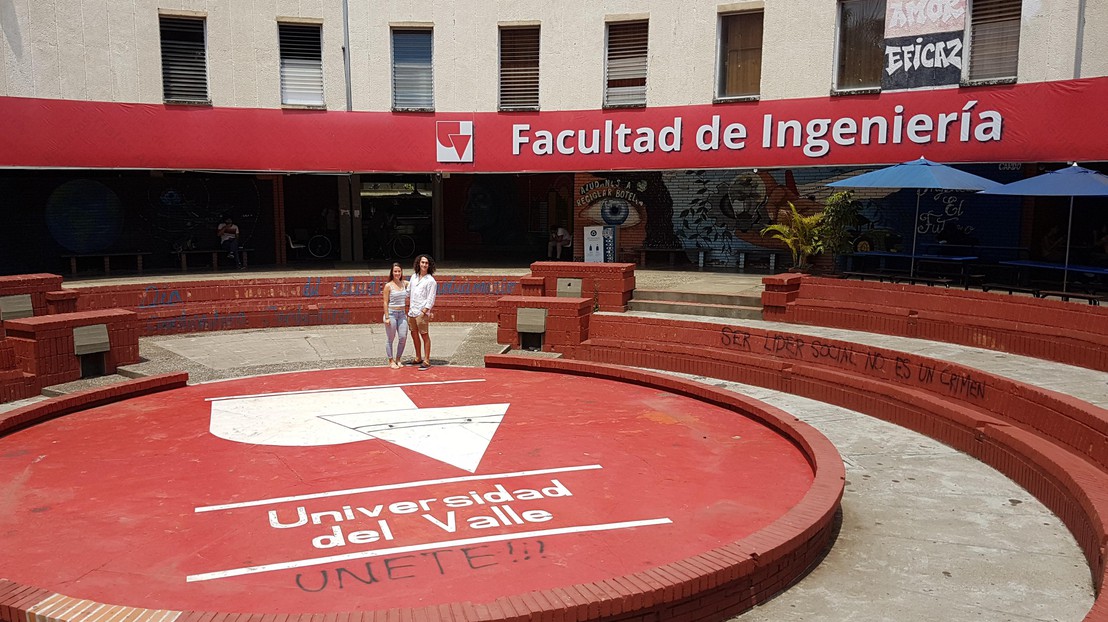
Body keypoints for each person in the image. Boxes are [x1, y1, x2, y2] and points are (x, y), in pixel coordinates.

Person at [406, 254, 437, 370]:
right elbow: (408, 291)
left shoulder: (431, 281)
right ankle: (418, 357)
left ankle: (427, 360)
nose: (424, 265)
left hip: (421, 312)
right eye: (422, 262)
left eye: (426, 263)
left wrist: (424, 311)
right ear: (418, 263)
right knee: (414, 334)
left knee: (424, 335)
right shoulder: (414, 277)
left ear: (429, 266)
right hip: (412, 311)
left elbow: (431, 298)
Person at [381, 263, 409, 369]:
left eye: (399, 271)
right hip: (391, 314)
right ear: (392, 272)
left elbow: (416, 284)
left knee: (403, 337)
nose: (397, 273)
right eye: (395, 271)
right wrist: (387, 317)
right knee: (390, 338)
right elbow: (385, 302)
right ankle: (391, 360)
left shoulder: (404, 283)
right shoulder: (388, 286)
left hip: (402, 314)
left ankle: (398, 358)